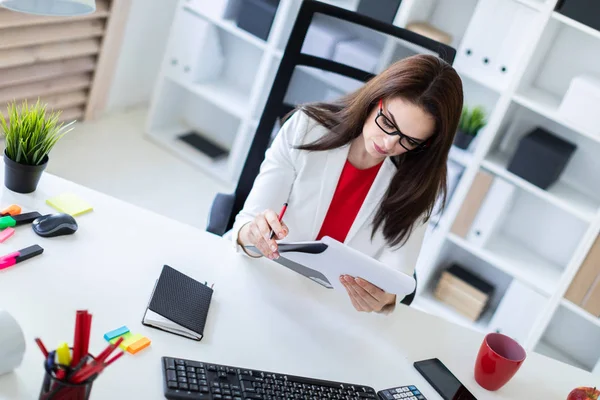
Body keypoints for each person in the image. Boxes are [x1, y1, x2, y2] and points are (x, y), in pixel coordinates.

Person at [232, 54, 463, 313]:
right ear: (375, 99)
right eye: (387, 122)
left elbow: (395, 279)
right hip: (270, 282)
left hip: (334, 310)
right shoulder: (306, 128)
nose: (388, 144)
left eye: (409, 140)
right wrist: (251, 234)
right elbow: (246, 226)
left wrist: (383, 300)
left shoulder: (418, 185)